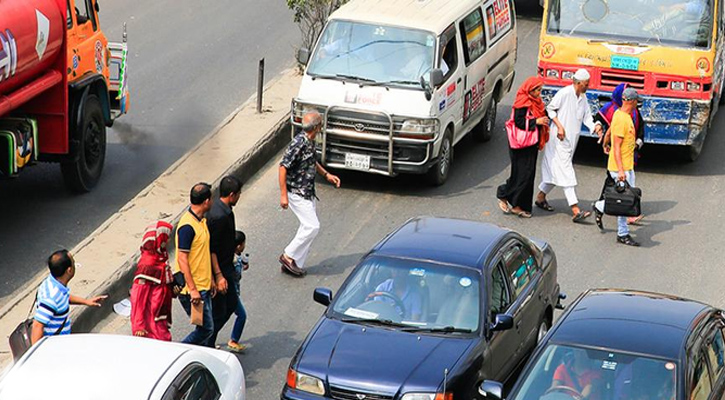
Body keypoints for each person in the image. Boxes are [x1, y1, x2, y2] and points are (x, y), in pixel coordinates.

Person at [279, 111, 341, 277]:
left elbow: (312, 161)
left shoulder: (310, 141)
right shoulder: (298, 143)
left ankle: (295, 262)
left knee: (307, 226)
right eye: (321, 123)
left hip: (307, 191)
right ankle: (288, 255)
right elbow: (283, 167)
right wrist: (283, 194)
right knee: (313, 226)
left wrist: (327, 175)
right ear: (316, 127)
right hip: (297, 192)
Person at [536, 69, 603, 223]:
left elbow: (587, 117)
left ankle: (540, 197)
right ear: (578, 83)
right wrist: (559, 126)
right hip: (558, 140)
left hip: (571, 141)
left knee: (556, 171)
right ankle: (575, 210)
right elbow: (550, 109)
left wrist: (595, 127)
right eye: (586, 84)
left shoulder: (583, 98)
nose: (588, 86)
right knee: (566, 172)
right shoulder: (564, 93)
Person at [593, 88, 642, 247]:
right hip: (621, 167)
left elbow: (610, 134)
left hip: (625, 166)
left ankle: (600, 207)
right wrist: (621, 171)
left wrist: (605, 142)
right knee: (626, 200)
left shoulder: (620, 115)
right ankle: (622, 233)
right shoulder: (622, 119)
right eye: (636, 101)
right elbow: (617, 147)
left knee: (627, 199)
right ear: (632, 101)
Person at [497, 77, 550, 218]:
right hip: (520, 145)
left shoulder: (537, 102)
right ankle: (503, 194)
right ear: (530, 90)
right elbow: (519, 121)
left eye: (540, 90)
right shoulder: (522, 102)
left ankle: (519, 205)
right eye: (537, 90)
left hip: (531, 143)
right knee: (521, 174)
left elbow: (542, 113)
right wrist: (536, 121)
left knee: (529, 174)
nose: (539, 93)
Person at [176, 182, 220, 346]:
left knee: (207, 329)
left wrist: (212, 279)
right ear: (206, 201)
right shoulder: (187, 226)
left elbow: (201, 254)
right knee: (206, 329)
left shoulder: (201, 221)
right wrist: (193, 289)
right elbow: (182, 258)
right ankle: (179, 351)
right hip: (193, 291)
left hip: (204, 286)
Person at [31, 250, 107, 344]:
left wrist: (86, 301)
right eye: (73, 263)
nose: (75, 265)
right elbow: (37, 326)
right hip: (54, 347)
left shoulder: (53, 282)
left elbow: (63, 298)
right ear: (69, 270)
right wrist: (37, 355)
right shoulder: (51, 298)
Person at [206, 176, 242, 348]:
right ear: (232, 195)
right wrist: (218, 276)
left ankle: (209, 341)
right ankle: (206, 341)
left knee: (228, 306)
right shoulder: (219, 216)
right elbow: (212, 249)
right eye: (239, 194)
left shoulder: (224, 211)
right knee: (220, 311)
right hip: (220, 269)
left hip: (226, 266)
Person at [130, 220, 174, 341]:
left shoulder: (161, 256)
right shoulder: (147, 265)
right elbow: (138, 296)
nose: (168, 241)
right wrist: (138, 326)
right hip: (151, 319)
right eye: (167, 237)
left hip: (160, 313)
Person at [227, 230, 248, 353]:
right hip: (232, 293)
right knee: (241, 315)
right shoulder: (234, 260)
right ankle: (233, 340)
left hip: (231, 292)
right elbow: (236, 276)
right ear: (239, 245)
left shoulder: (232, 256)